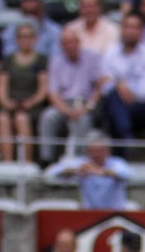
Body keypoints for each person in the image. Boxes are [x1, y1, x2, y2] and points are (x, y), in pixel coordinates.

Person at [38, 26, 103, 166]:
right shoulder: (55, 61)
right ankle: (46, 159)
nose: (70, 46)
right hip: (64, 104)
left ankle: (78, 160)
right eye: (66, 43)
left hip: (86, 103)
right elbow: (53, 93)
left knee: (84, 119)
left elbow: (99, 88)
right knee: (48, 116)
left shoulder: (92, 57)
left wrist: (87, 107)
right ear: (61, 45)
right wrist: (67, 110)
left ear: (79, 42)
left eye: (73, 42)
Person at [101, 12, 145, 148]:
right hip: (116, 105)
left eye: (135, 27)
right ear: (121, 29)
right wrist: (118, 86)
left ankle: (122, 141)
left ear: (142, 31)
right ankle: (125, 135)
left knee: (114, 105)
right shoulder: (110, 53)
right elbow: (104, 85)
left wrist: (121, 86)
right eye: (127, 27)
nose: (130, 32)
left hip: (143, 110)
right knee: (113, 100)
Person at [0, 20, 48, 162]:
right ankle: (7, 162)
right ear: (17, 39)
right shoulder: (8, 61)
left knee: (21, 118)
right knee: (3, 118)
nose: (25, 40)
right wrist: (6, 102)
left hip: (31, 105)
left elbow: (43, 88)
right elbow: (2, 86)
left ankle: (26, 163)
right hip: (11, 102)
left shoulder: (41, 60)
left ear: (35, 39)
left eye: (29, 36)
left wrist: (31, 102)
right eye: (22, 36)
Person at [50, 130, 131, 208]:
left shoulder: (117, 162)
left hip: (115, 214)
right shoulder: (83, 163)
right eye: (92, 151)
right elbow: (52, 172)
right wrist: (75, 170)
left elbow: (127, 174)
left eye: (99, 151)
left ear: (107, 151)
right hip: (89, 213)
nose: (95, 154)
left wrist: (101, 172)